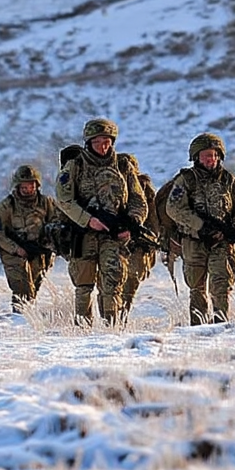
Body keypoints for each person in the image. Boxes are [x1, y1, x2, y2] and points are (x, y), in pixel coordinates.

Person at [55, 118, 147, 326]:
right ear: (88, 142)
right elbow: (64, 199)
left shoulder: (123, 166)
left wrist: (132, 224)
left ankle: (110, 327)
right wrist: (88, 220)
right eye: (97, 142)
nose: (103, 146)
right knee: (83, 283)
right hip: (83, 233)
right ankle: (82, 328)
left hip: (114, 234)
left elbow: (137, 199)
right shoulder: (75, 166)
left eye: (107, 141)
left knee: (113, 280)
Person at [165, 133, 235, 325]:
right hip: (194, 242)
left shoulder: (230, 181)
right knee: (196, 288)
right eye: (205, 155)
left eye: (213, 154)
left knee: (221, 286)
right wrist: (199, 226)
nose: (210, 159)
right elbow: (173, 208)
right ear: (196, 157)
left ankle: (220, 325)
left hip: (222, 242)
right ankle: (198, 328)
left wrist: (234, 229)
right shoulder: (186, 180)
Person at [0, 165, 58, 314]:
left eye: (31, 185)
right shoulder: (7, 206)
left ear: (37, 185)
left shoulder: (46, 203)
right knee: (22, 288)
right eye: (24, 186)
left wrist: (49, 243)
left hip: (39, 251)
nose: (28, 189)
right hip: (13, 252)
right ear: (17, 186)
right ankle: (19, 318)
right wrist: (15, 248)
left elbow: (57, 224)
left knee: (33, 288)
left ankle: (26, 316)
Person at [118, 152, 158, 319]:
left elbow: (153, 218)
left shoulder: (145, 190)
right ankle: (114, 316)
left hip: (139, 244)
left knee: (131, 282)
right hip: (117, 241)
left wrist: (152, 238)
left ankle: (122, 315)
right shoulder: (111, 187)